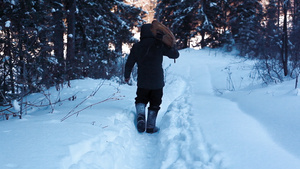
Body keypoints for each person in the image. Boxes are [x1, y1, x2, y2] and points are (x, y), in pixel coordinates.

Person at [124, 23, 179, 133]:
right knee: (155, 103)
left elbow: (129, 63)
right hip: (157, 82)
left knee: (140, 99)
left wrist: (127, 75)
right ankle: (150, 126)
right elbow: (175, 55)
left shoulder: (137, 46)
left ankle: (140, 116)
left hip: (143, 81)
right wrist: (171, 45)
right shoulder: (159, 44)